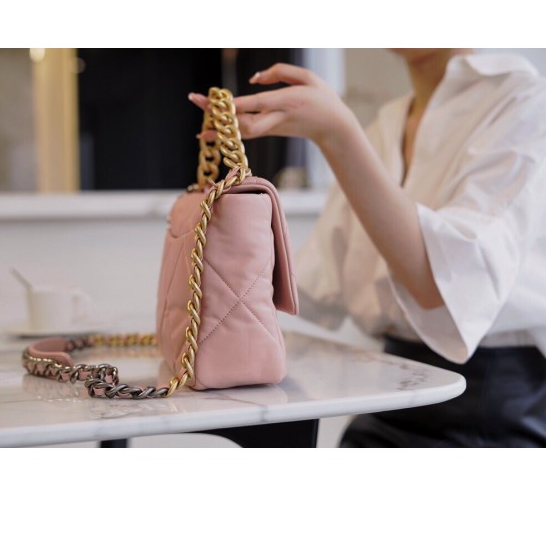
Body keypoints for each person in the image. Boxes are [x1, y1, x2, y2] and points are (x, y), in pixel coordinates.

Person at [189, 49, 546, 447]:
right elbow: (310, 283)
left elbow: (441, 286)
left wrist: (337, 134)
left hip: (489, 420)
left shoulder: (525, 101)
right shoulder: (387, 124)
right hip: (389, 397)